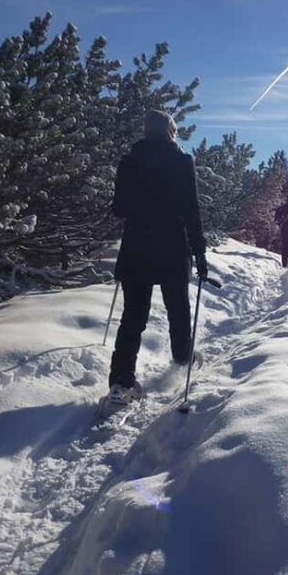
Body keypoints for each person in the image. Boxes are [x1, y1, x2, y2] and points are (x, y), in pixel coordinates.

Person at [108, 109, 208, 404]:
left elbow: (119, 209)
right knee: (178, 310)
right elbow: (192, 209)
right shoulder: (181, 162)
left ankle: (121, 382)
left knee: (133, 317)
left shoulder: (129, 162)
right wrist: (199, 251)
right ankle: (182, 363)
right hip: (172, 248)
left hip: (136, 248)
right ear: (170, 132)